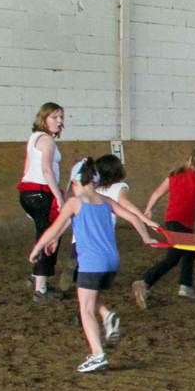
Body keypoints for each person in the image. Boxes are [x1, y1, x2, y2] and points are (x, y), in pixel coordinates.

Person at [29, 158, 159, 373]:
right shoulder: (106, 201)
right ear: (96, 183)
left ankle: (98, 355)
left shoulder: (74, 202)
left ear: (75, 182)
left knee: (86, 308)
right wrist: (146, 237)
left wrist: (38, 248)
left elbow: (54, 229)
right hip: (111, 262)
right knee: (93, 296)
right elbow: (134, 218)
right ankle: (108, 317)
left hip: (91, 262)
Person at [134, 148, 195, 307]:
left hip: (173, 221)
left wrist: (149, 209)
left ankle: (185, 285)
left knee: (191, 249)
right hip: (181, 223)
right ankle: (145, 282)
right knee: (173, 257)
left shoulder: (175, 175)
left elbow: (158, 193)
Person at [18, 102, 66, 301]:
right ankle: (41, 289)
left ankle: (37, 277)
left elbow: (27, 167)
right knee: (50, 236)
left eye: (61, 117)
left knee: (43, 234)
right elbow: (47, 170)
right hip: (41, 192)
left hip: (28, 192)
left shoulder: (34, 138)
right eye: (54, 117)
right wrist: (59, 197)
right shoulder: (47, 140)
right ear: (44, 118)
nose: (59, 121)